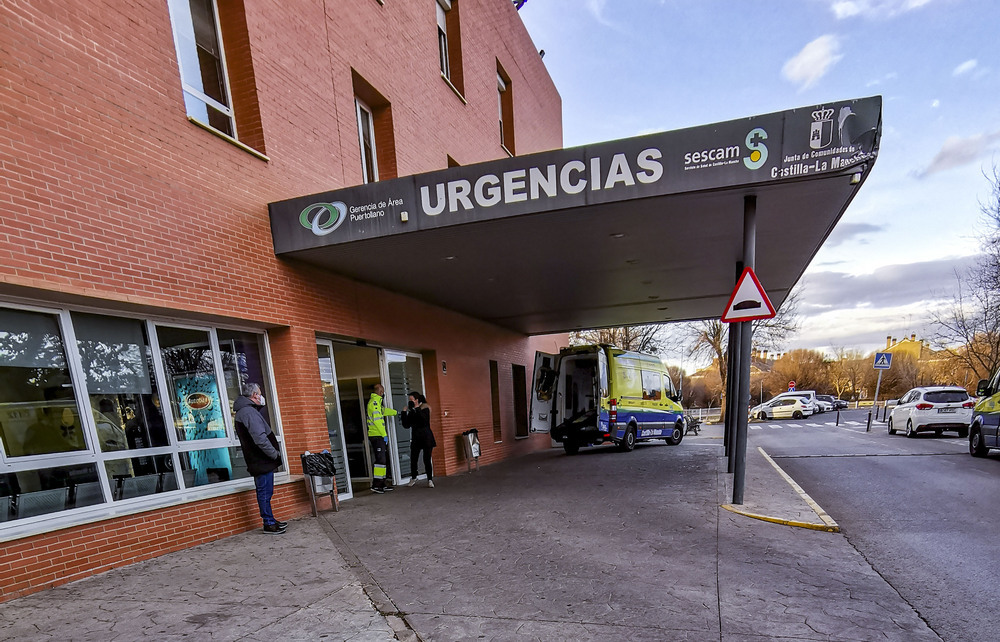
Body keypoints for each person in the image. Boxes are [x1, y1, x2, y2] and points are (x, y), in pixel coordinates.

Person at [233, 382, 286, 534]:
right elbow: (260, 439)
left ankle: (270, 519)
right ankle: (268, 523)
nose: (261, 396)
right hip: (260, 460)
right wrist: (274, 453)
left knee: (266, 492)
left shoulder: (248, 411)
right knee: (264, 492)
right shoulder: (248, 412)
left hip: (261, 460)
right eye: (260, 393)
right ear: (255, 395)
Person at [400, 391, 436, 488]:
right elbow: (406, 425)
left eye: (412, 400)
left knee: (426, 459)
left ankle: (429, 479)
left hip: (426, 437)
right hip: (416, 438)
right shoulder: (412, 411)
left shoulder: (425, 408)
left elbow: (424, 421)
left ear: (417, 400)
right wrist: (404, 413)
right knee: (413, 458)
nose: (410, 402)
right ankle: (414, 477)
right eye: (409, 400)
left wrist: (417, 409)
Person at [366, 383, 397, 494]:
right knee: (380, 461)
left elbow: (384, 411)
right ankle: (377, 485)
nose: (383, 394)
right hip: (376, 436)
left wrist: (395, 412)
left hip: (378, 436)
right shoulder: (374, 403)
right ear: (380, 392)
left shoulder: (377, 403)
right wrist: (384, 435)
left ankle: (382, 484)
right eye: (383, 392)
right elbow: (378, 421)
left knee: (383, 461)